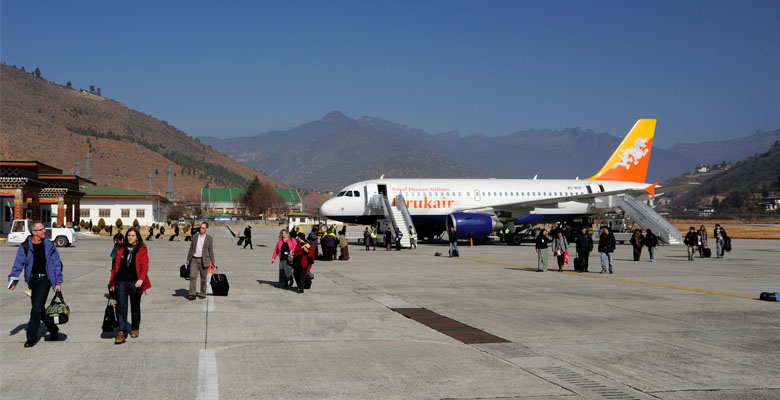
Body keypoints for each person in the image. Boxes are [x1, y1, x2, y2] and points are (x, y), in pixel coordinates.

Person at [7, 221, 63, 348]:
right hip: (32, 281)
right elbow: (18, 264)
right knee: (40, 309)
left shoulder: (49, 246)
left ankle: (31, 336)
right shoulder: (25, 246)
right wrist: (13, 280)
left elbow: (57, 264)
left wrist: (57, 282)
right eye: (41, 229)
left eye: (44, 229)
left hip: (45, 280)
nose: (44, 231)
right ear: (34, 232)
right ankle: (53, 329)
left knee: (36, 307)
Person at [108, 227, 151, 344]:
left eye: (132, 235)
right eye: (128, 235)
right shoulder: (120, 249)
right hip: (121, 281)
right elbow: (115, 267)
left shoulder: (142, 249)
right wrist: (112, 282)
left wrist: (141, 279)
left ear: (137, 237)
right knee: (121, 306)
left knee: (135, 306)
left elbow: (145, 265)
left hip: (135, 282)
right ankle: (121, 332)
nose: (130, 237)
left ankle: (135, 327)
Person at [185, 222, 215, 301]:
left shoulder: (209, 238)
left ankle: (202, 293)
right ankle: (192, 294)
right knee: (192, 276)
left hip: (204, 259)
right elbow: (191, 248)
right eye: (200, 227)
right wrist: (188, 259)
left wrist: (213, 261)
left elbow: (210, 250)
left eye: (203, 228)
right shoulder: (194, 237)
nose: (201, 229)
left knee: (203, 278)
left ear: (206, 229)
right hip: (194, 259)